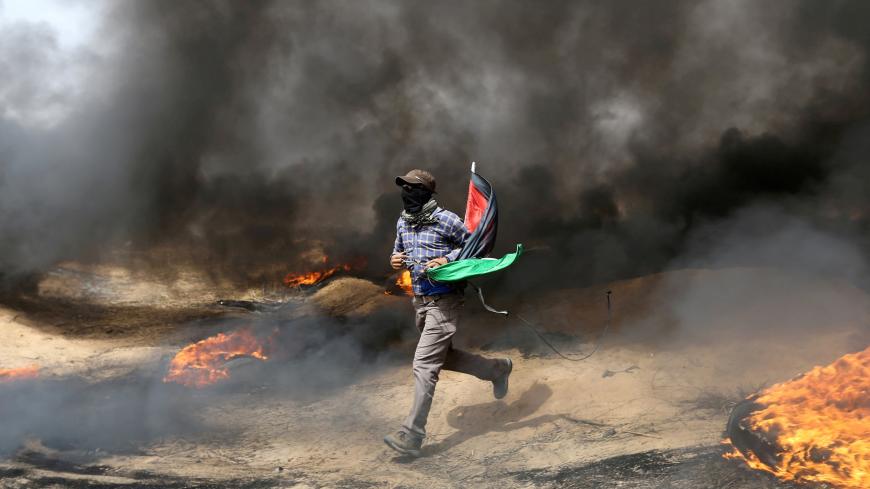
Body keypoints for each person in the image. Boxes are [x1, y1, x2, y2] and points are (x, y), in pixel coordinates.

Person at [383, 169, 513, 457]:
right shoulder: (403, 222)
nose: (406, 192)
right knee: (445, 357)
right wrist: (394, 260)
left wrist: (446, 258)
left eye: (413, 188)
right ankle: (497, 369)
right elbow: (398, 252)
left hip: (445, 301)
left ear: (427, 193)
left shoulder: (447, 220)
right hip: (420, 301)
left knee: (424, 364)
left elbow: (475, 247)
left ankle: (411, 434)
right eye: (403, 187)